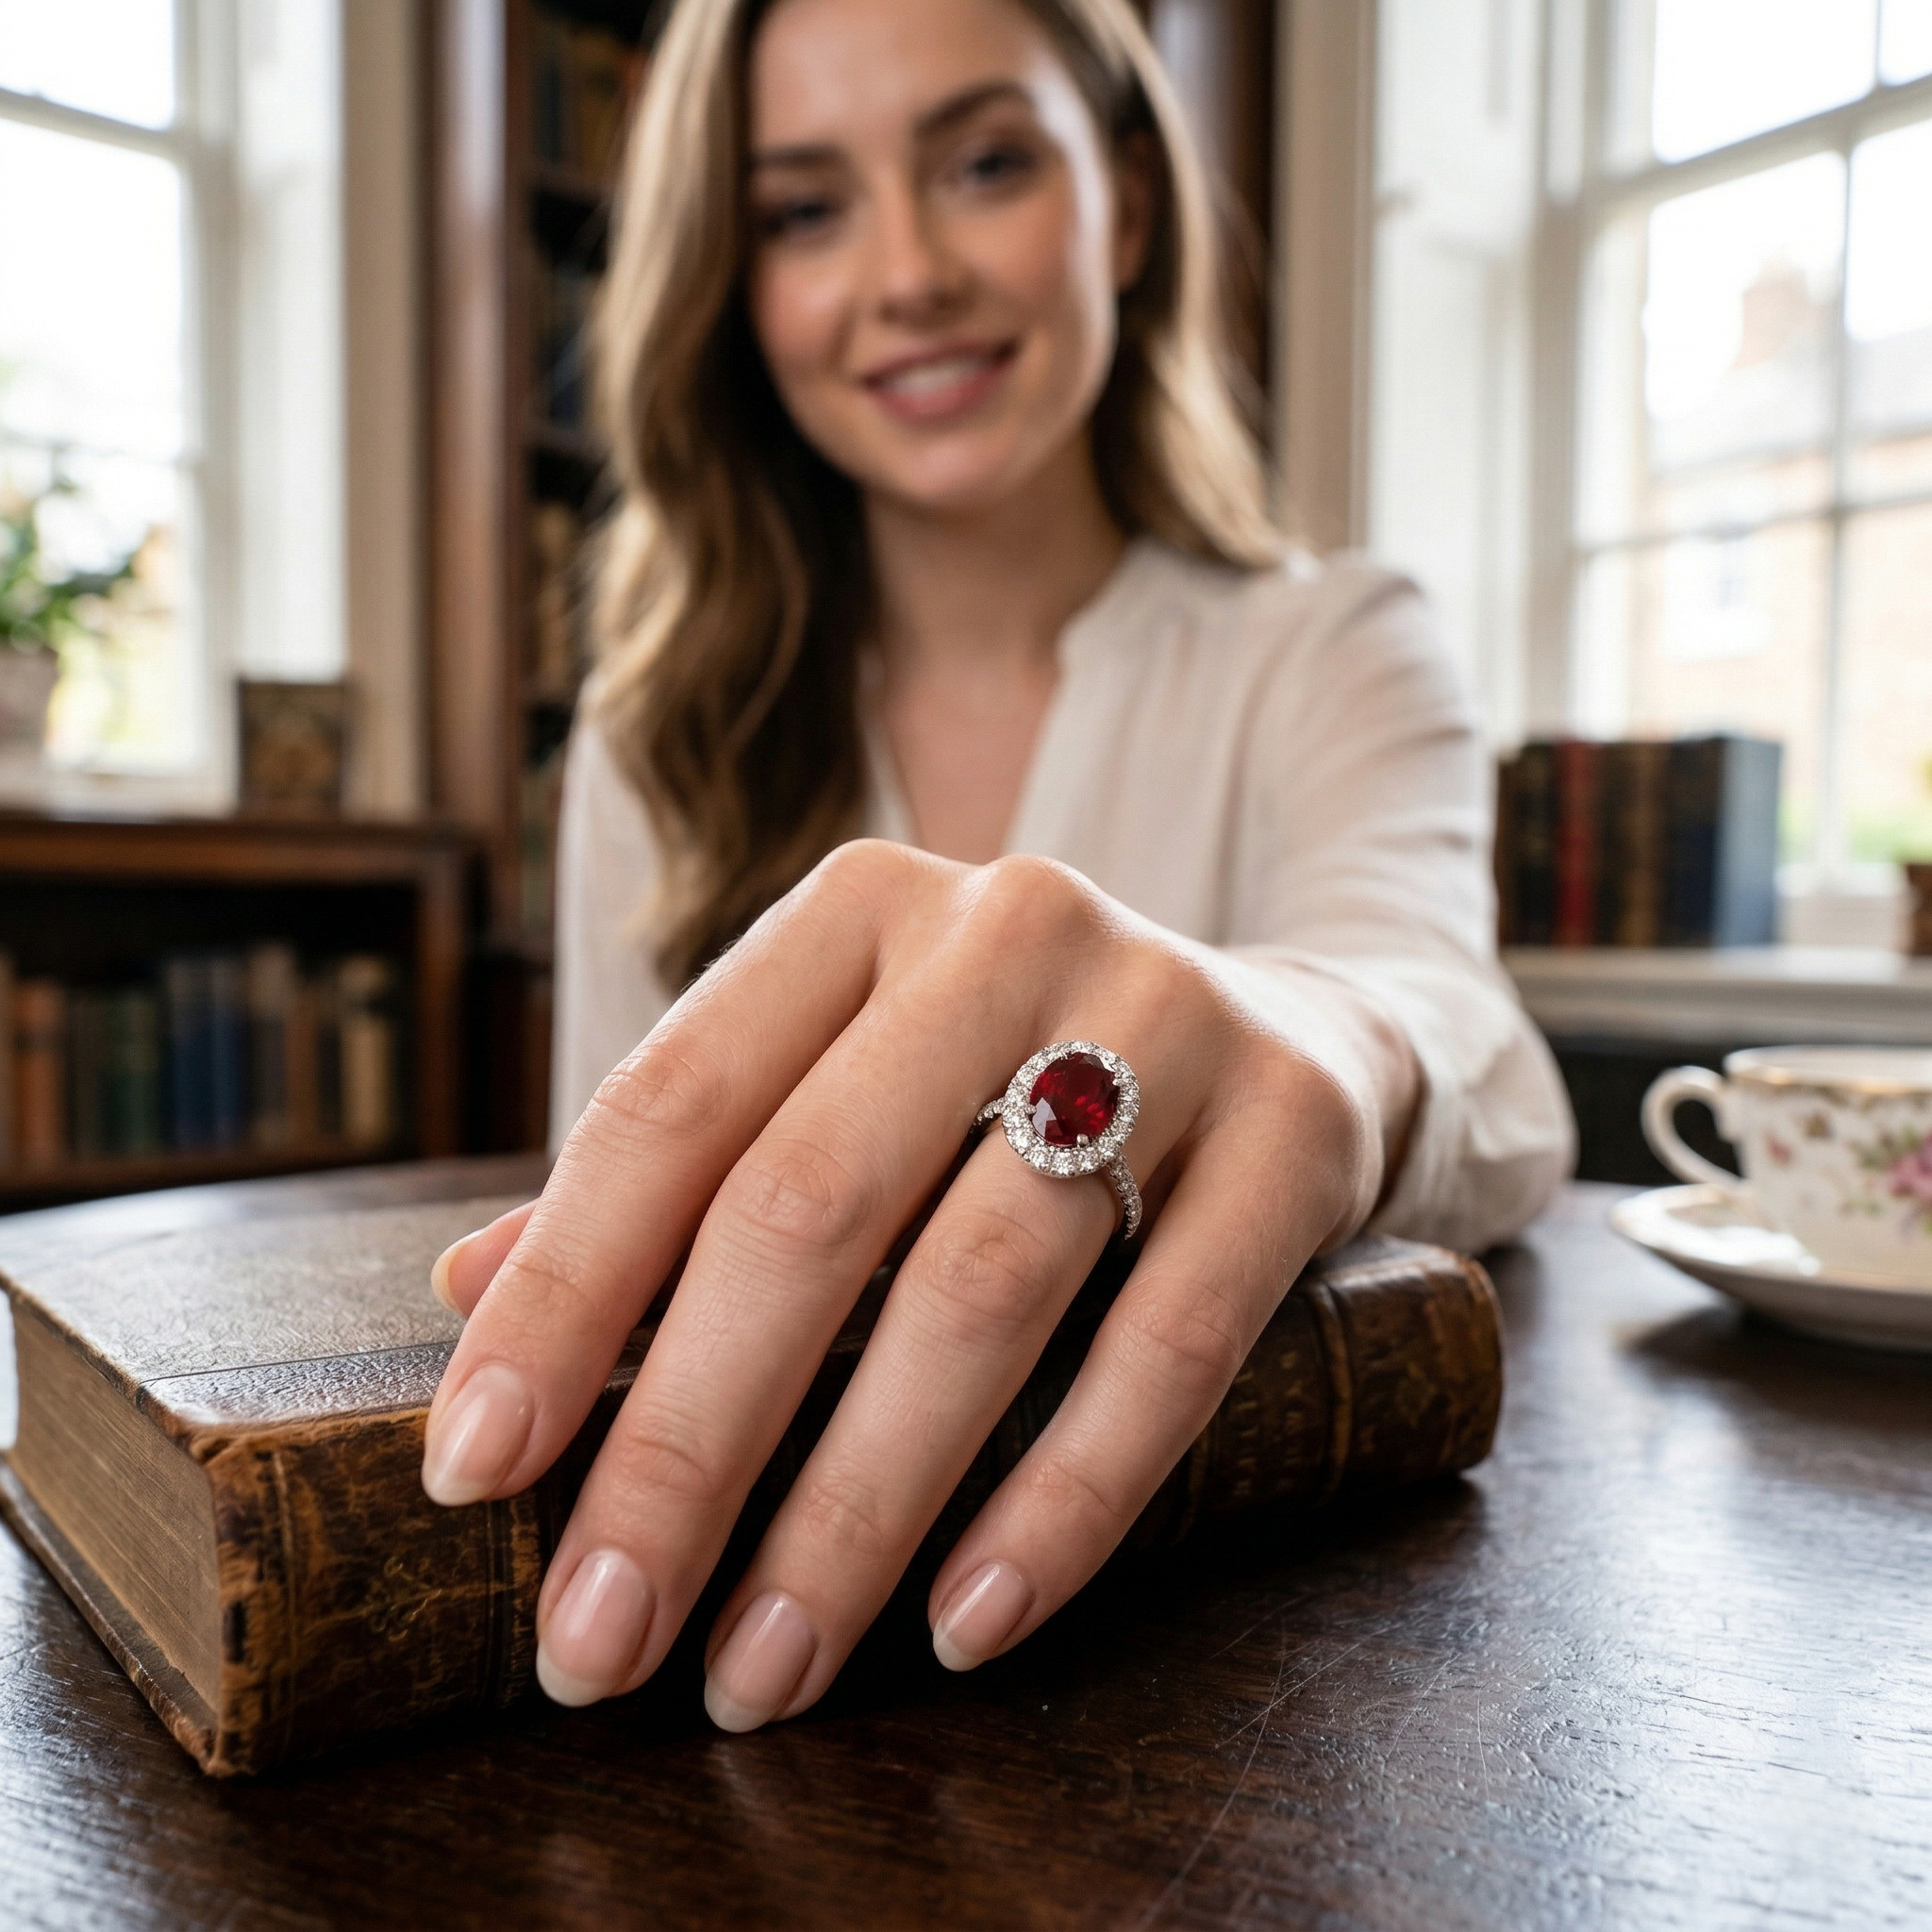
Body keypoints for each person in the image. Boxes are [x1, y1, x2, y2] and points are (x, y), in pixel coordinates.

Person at [422, 0, 1573, 1737]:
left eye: (983, 163)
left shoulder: (1336, 645)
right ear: (733, 286)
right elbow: (633, 1236)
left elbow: (1453, 1028)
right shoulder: (654, 736)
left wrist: (1313, 1044)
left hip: (1236, 1679)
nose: (908, 275)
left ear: (1124, 192)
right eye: (805, 209)